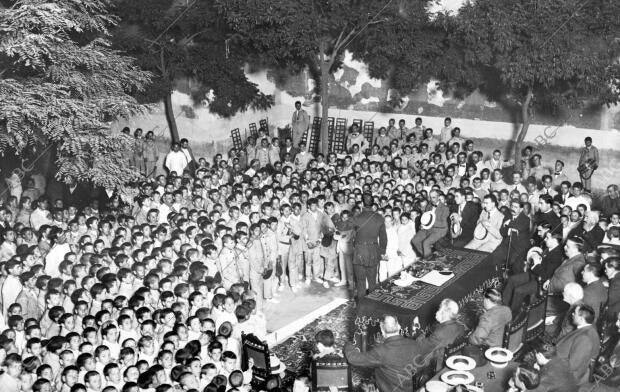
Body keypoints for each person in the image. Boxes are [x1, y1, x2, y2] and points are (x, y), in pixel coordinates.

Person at [343, 314, 433, 392]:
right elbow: (424, 360)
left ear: (382, 331)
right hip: (408, 389)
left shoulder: (381, 351)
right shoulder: (413, 344)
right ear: (399, 327)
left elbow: (353, 358)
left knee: (363, 386)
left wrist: (348, 343)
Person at [349, 193, 387, 301]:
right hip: (373, 252)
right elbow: (383, 239)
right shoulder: (379, 218)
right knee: (372, 282)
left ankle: (361, 307)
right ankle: (373, 305)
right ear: (373, 203)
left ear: (361, 203)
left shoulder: (356, 218)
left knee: (360, 283)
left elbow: (350, 236)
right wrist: (381, 252)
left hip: (359, 252)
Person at [555, 304, 600, 385]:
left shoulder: (585, 338)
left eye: (574, 313)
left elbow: (571, 366)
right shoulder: (589, 328)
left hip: (567, 377)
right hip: (562, 361)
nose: (572, 314)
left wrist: (547, 362)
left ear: (581, 319)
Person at [411, 189, 449, 260]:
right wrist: (422, 225)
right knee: (414, 240)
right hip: (428, 228)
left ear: (438, 197)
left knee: (426, 243)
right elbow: (424, 219)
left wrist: (431, 222)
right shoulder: (428, 206)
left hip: (440, 230)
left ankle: (428, 261)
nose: (432, 199)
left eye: (434, 197)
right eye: (430, 197)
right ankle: (429, 257)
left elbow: (443, 224)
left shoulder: (445, 208)